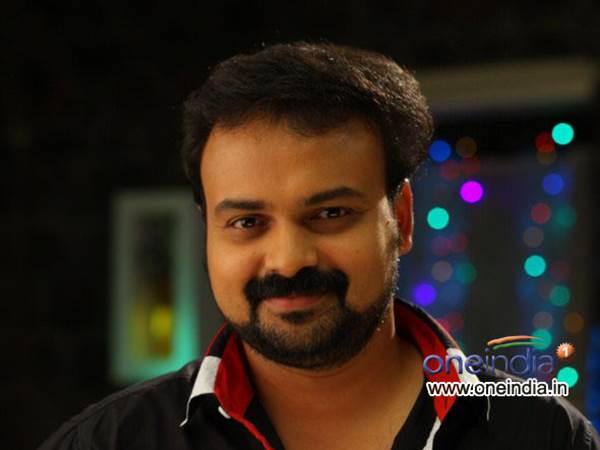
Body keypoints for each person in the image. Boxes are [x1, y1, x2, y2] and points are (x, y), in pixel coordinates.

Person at [40, 42, 599, 450]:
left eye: (330, 214)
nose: (288, 260)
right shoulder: (110, 443)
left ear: (401, 219)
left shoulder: (542, 436)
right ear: (207, 232)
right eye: (247, 222)